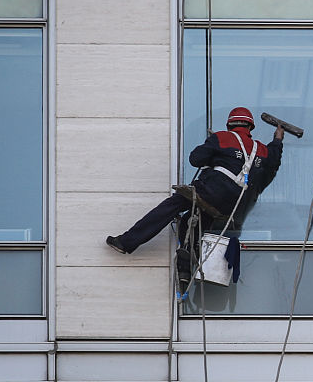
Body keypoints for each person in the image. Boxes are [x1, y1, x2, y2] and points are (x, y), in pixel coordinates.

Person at [106, 107, 284, 286]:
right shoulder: (261, 149)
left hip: (212, 191)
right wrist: (277, 140)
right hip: (233, 206)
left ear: (230, 124)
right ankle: (185, 271)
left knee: (172, 205)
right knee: (190, 222)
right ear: (250, 127)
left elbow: (196, 159)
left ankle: (126, 242)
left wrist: (214, 149)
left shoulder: (222, 137)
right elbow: (273, 163)